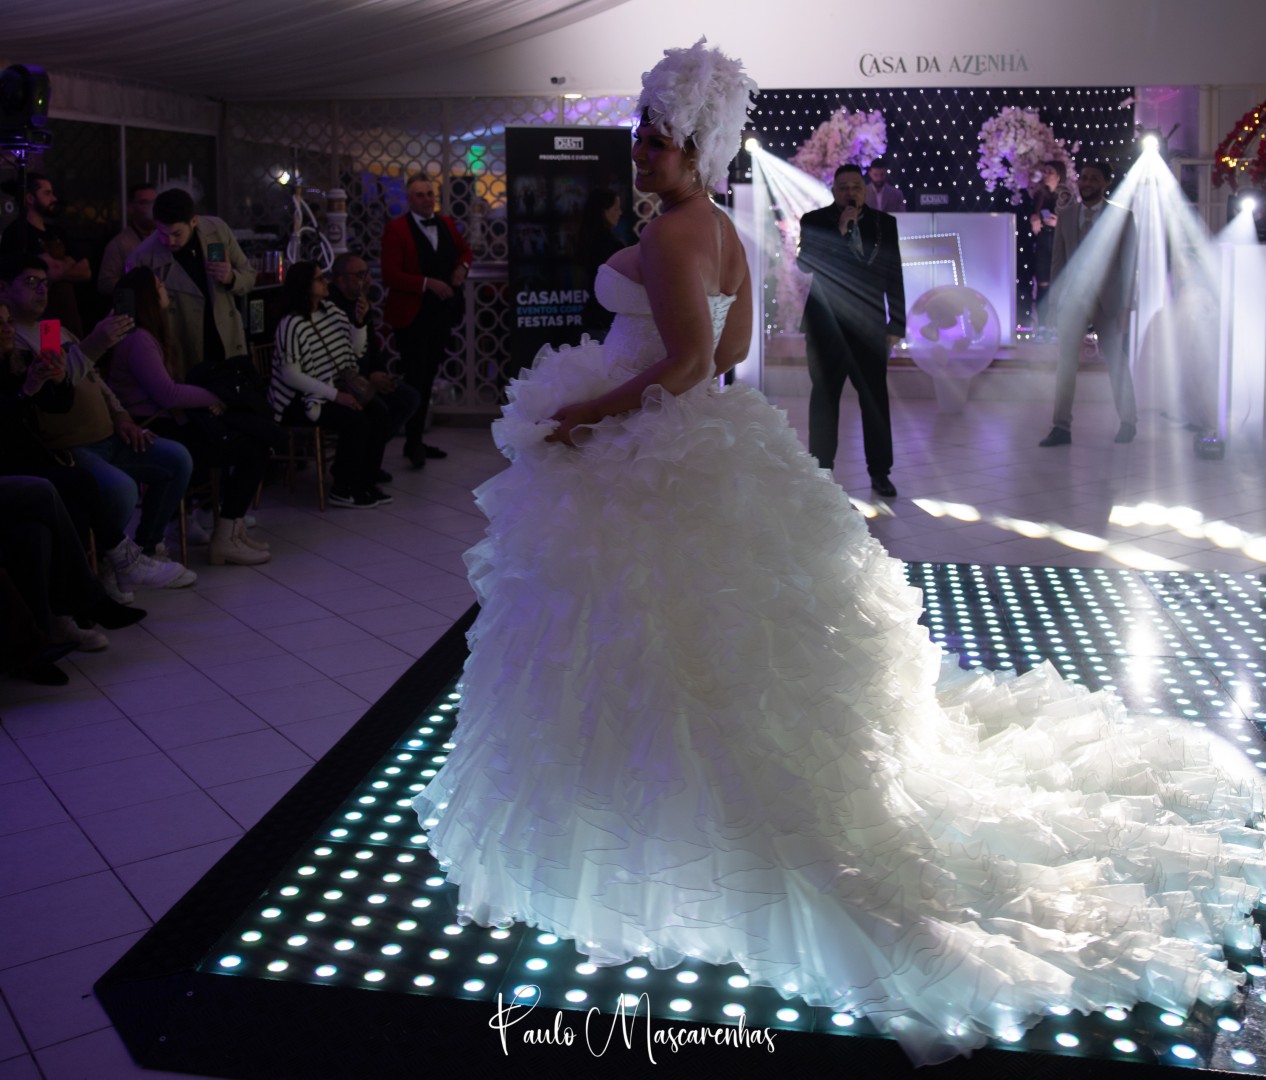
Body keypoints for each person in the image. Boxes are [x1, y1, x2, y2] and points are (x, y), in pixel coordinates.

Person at [411, 40, 1266, 1068]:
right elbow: (733, 353)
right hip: (701, 446)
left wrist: (581, 414)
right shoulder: (719, 227)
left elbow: (690, 362)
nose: (639, 152)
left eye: (656, 140)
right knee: (708, 636)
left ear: (696, 147)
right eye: (641, 135)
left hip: (646, 447)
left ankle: (660, 829)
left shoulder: (676, 232)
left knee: (644, 638)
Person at [1, 256, 196, 592]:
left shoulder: (52, 330)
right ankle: (112, 561)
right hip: (71, 445)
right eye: (31, 282)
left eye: (45, 283)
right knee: (122, 489)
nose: (42, 290)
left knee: (176, 457)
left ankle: (146, 548)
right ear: (4, 288)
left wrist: (122, 416)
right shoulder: (11, 342)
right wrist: (96, 342)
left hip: (109, 433)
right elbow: (53, 390)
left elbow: (93, 378)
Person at [110, 266, 272, 565]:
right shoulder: (139, 340)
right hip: (153, 429)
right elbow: (168, 394)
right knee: (252, 447)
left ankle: (230, 528)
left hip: (167, 421)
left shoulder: (146, 336)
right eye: (159, 286)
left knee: (251, 438)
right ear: (147, 297)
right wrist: (216, 397)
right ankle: (226, 534)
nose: (165, 289)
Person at [797, 163, 905, 497]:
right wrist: (841, 232)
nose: (850, 192)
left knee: (875, 400)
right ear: (833, 191)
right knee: (824, 398)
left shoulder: (885, 224)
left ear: (865, 189)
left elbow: (894, 275)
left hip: (869, 326)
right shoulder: (815, 221)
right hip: (825, 326)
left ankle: (880, 472)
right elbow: (805, 265)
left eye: (856, 186)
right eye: (843, 187)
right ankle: (820, 471)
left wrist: (897, 323)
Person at [268, 260, 393, 508]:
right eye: (319, 279)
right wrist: (335, 395)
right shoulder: (291, 324)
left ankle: (364, 481)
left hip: (330, 387)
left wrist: (359, 323)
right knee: (356, 420)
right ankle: (343, 488)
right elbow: (291, 375)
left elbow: (352, 351)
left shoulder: (330, 312)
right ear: (305, 286)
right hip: (299, 399)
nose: (326, 282)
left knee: (378, 412)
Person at [1039, 160, 1139, 447]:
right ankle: (1061, 427)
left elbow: (1129, 264)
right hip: (1073, 300)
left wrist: (1127, 306)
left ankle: (1128, 421)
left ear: (1106, 183)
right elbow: (1058, 263)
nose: (1087, 183)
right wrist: (1054, 304)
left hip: (1108, 300)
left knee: (1116, 361)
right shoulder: (1067, 214)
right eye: (1083, 177)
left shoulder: (1123, 216)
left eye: (1094, 178)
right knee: (1066, 365)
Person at [381, 174, 472, 469]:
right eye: (420, 195)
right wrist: (426, 283)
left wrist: (462, 267)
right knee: (415, 379)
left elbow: (465, 250)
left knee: (429, 375)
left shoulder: (445, 223)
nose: (426, 199)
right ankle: (412, 441)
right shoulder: (396, 229)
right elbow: (390, 275)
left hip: (441, 314)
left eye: (429, 194)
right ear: (409, 200)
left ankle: (415, 441)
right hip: (412, 316)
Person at [126, 189, 255, 372]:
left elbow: (249, 276)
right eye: (162, 233)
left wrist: (231, 278)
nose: (169, 241)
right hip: (183, 345)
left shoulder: (217, 230)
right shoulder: (142, 257)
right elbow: (137, 317)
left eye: (177, 233)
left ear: (194, 221)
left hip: (225, 338)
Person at [328, 251, 421, 472]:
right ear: (341, 280)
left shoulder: (360, 303)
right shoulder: (332, 308)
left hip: (364, 375)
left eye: (367, 273)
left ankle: (368, 458)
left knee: (409, 398)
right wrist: (369, 377)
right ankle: (359, 464)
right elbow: (340, 355)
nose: (368, 279)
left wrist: (378, 372)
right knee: (378, 409)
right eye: (361, 275)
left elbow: (371, 348)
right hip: (341, 380)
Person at [0, 173, 89, 335]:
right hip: (37, 319)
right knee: (48, 350)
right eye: (47, 193)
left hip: (68, 316)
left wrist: (58, 268)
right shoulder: (18, 232)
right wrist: (66, 264)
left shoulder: (57, 231)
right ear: (30, 198)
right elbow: (51, 272)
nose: (54, 198)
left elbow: (85, 271)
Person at [1026, 160, 1075, 339]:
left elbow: (1075, 223)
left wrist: (1058, 223)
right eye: (1045, 171)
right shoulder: (1040, 195)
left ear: (1059, 175)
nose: (1046, 175)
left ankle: (1054, 326)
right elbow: (1033, 214)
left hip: (1059, 243)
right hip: (1043, 241)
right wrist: (1034, 219)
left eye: (1050, 172)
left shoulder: (1067, 196)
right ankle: (1042, 326)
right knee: (1042, 285)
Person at [577, 188, 628, 340]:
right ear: (603, 212)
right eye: (616, 209)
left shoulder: (586, 240)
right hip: (608, 321)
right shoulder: (611, 244)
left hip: (594, 317)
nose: (620, 213)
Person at [98, 182, 157, 295]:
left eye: (154, 202)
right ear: (130, 208)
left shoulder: (165, 237)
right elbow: (105, 283)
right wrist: (137, 286)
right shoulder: (119, 244)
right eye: (144, 202)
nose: (151, 207)